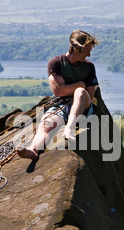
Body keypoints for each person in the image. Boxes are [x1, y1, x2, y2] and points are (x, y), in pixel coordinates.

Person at [17, 30, 100, 160]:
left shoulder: (89, 67)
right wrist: (80, 84)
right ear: (77, 48)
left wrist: (75, 89)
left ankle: (69, 128)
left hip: (83, 106)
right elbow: (58, 91)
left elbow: (89, 94)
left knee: (80, 92)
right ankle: (33, 150)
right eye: (87, 51)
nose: (89, 54)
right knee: (45, 125)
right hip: (61, 106)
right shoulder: (56, 63)